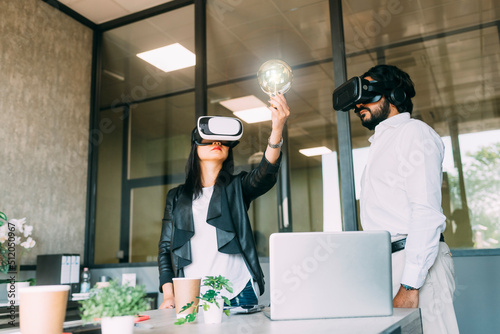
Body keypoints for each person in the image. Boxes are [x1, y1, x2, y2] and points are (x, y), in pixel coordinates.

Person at [158, 93, 290, 309]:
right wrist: (169, 295)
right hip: (192, 295)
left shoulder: (236, 187)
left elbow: (264, 174)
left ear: (229, 149)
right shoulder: (176, 197)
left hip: (239, 290)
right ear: (195, 146)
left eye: (223, 141)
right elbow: (165, 248)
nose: (217, 142)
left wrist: (276, 129)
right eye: (209, 138)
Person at [355, 64, 459, 333]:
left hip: (417, 266)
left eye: (368, 94)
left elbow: (425, 212)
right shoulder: (381, 145)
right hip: (391, 265)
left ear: (394, 97)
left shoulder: (414, 132)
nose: (359, 105)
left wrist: (410, 284)